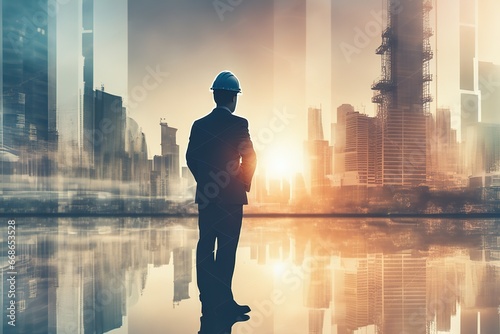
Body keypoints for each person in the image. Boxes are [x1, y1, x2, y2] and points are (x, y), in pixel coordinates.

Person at [186, 71, 257, 327]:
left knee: (205, 247)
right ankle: (225, 303)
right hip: (231, 199)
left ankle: (209, 301)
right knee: (227, 251)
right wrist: (242, 184)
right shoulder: (239, 124)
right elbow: (250, 158)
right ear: (233, 98)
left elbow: (191, 158)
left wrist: (205, 183)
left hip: (207, 197)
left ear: (215, 95)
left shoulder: (199, 124)